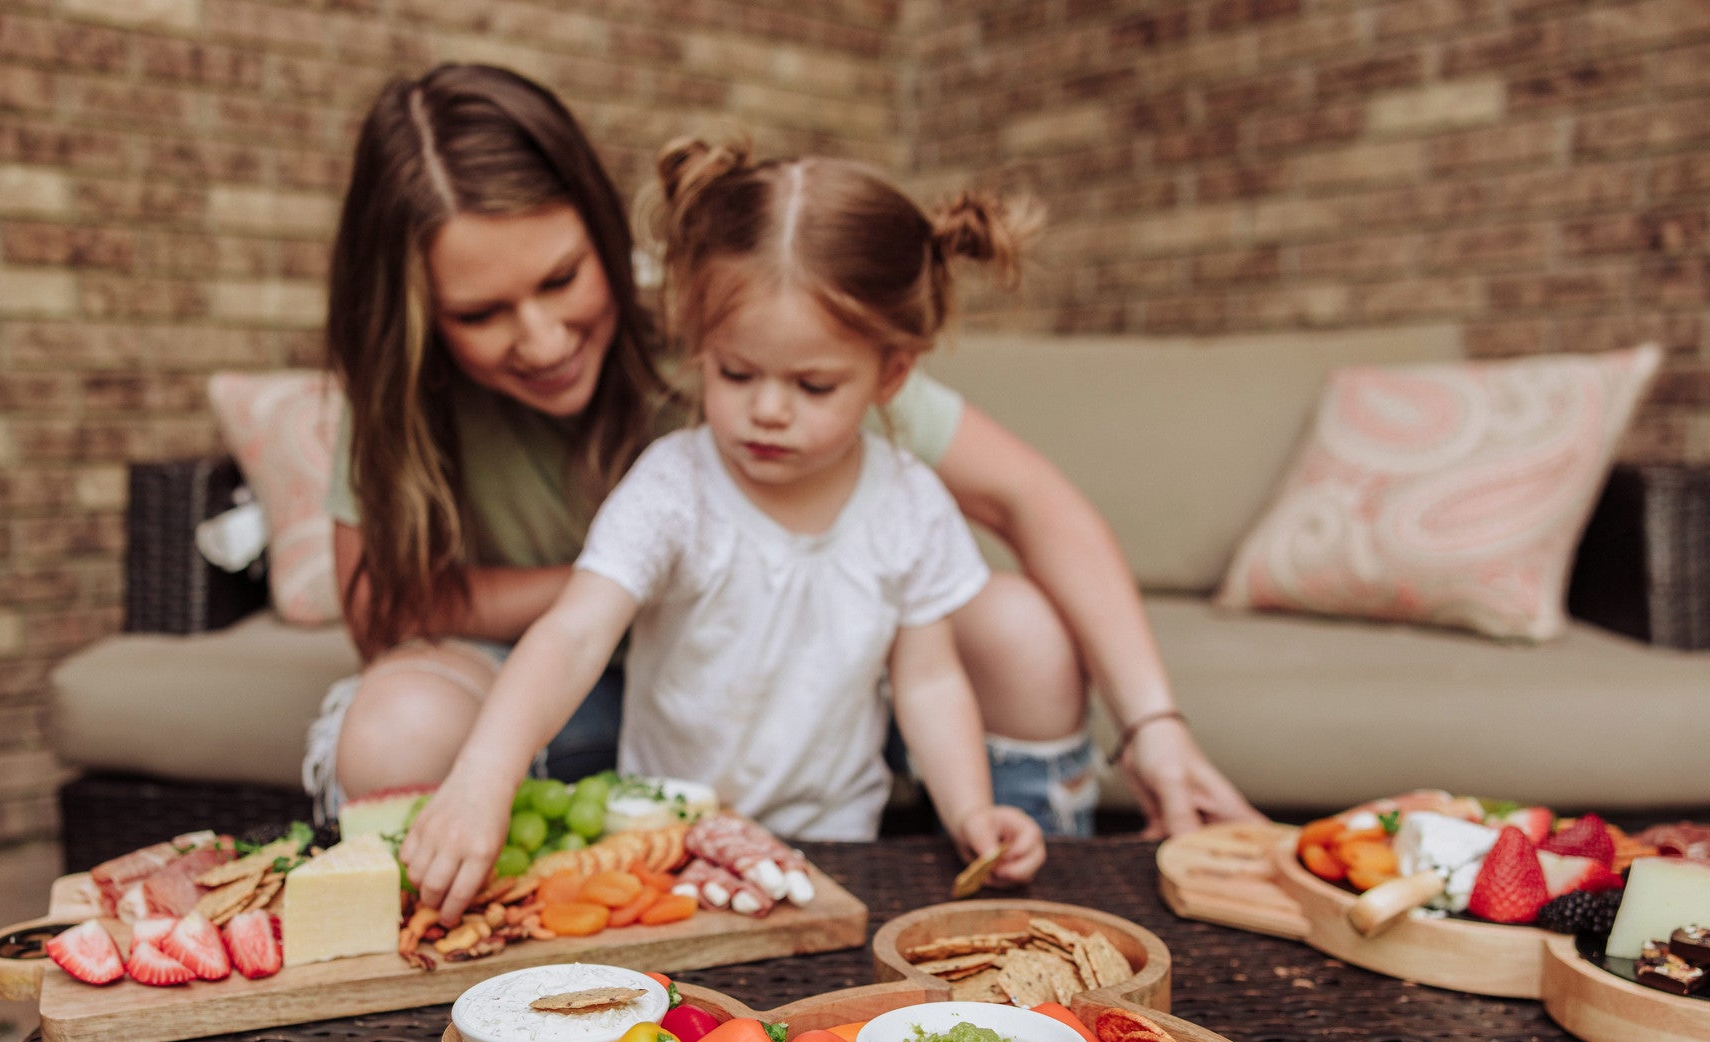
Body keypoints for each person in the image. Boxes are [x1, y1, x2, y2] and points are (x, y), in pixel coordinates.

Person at [312, 63, 1261, 842]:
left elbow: (1030, 506)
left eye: (563, 279)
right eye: (480, 313)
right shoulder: (669, 439)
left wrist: (1155, 725)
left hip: (808, 714)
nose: (545, 337)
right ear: (419, 318)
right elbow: (414, 616)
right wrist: (646, 575)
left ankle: (1029, 869)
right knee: (398, 727)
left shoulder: (759, 311)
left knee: (1015, 622)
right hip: (595, 709)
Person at [402, 141, 1048, 920]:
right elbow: (572, 634)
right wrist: (483, 776)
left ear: (891, 374)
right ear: (700, 347)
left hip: (838, 852)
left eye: (813, 385)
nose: (768, 410)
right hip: (666, 845)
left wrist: (970, 811)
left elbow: (930, 680)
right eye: (736, 374)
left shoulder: (909, 503)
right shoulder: (675, 486)